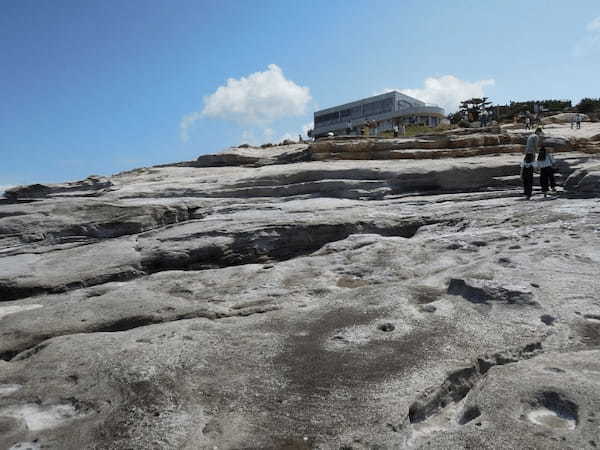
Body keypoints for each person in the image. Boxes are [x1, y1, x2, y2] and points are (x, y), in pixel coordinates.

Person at [521, 128, 543, 199]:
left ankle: (526, 193)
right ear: (538, 132)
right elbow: (535, 145)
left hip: (527, 152)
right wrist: (537, 152)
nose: (540, 134)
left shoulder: (530, 135)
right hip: (531, 152)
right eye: (540, 133)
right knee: (530, 173)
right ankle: (529, 194)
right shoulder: (536, 136)